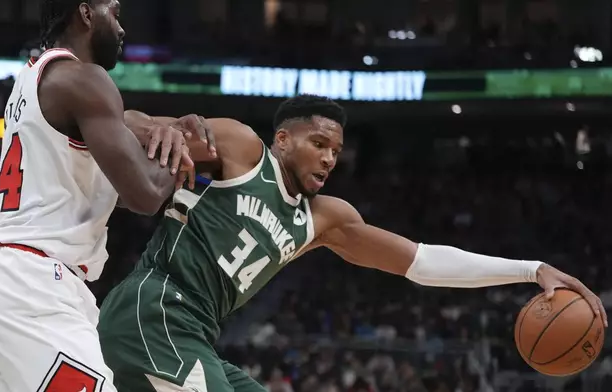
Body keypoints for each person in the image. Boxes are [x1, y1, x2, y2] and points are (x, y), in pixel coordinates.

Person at [98, 95, 607, 392]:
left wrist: (531, 269)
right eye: (318, 144)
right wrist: (147, 125)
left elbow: (423, 262)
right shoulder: (243, 149)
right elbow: (117, 122)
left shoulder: (324, 219)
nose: (328, 159)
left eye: (336, 151)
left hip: (194, 332)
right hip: (155, 307)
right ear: (282, 140)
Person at [0, 0, 215, 391]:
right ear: (86, 13)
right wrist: (179, 143)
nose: (122, 30)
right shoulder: (84, 79)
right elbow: (147, 194)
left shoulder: (33, 79)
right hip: (29, 284)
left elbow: (122, 141)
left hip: (21, 281)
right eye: (114, 14)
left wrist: (158, 129)